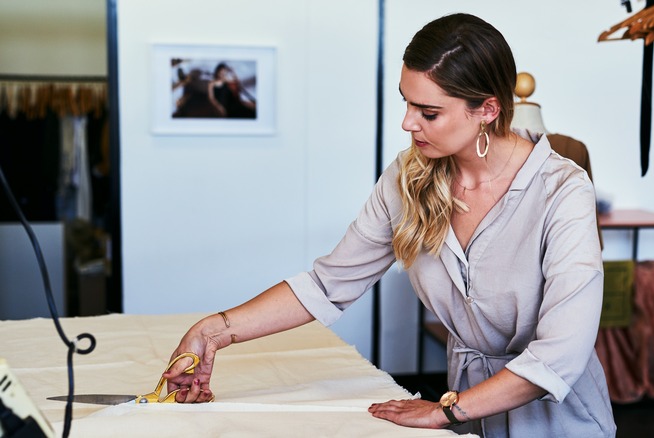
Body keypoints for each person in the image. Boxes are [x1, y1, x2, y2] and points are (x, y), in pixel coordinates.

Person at [163, 13, 616, 437]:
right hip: (464, 414)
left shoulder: (562, 189)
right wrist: (213, 331)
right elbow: (327, 284)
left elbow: (561, 352)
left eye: (428, 112)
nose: (407, 123)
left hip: (559, 421)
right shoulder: (407, 176)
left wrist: (445, 410)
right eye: (406, 103)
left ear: (488, 110)